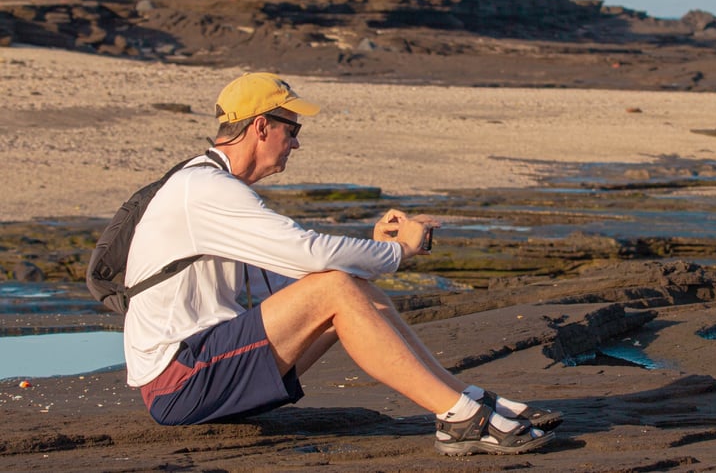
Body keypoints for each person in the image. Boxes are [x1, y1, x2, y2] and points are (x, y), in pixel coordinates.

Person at [123, 72, 560, 456]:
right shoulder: (205, 189)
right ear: (260, 127)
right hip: (181, 381)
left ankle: (465, 398)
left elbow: (296, 275)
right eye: (291, 129)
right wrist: (398, 252)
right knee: (334, 288)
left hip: (203, 364)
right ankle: (459, 417)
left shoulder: (207, 184)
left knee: (345, 285)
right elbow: (308, 253)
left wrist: (366, 248)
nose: (296, 141)